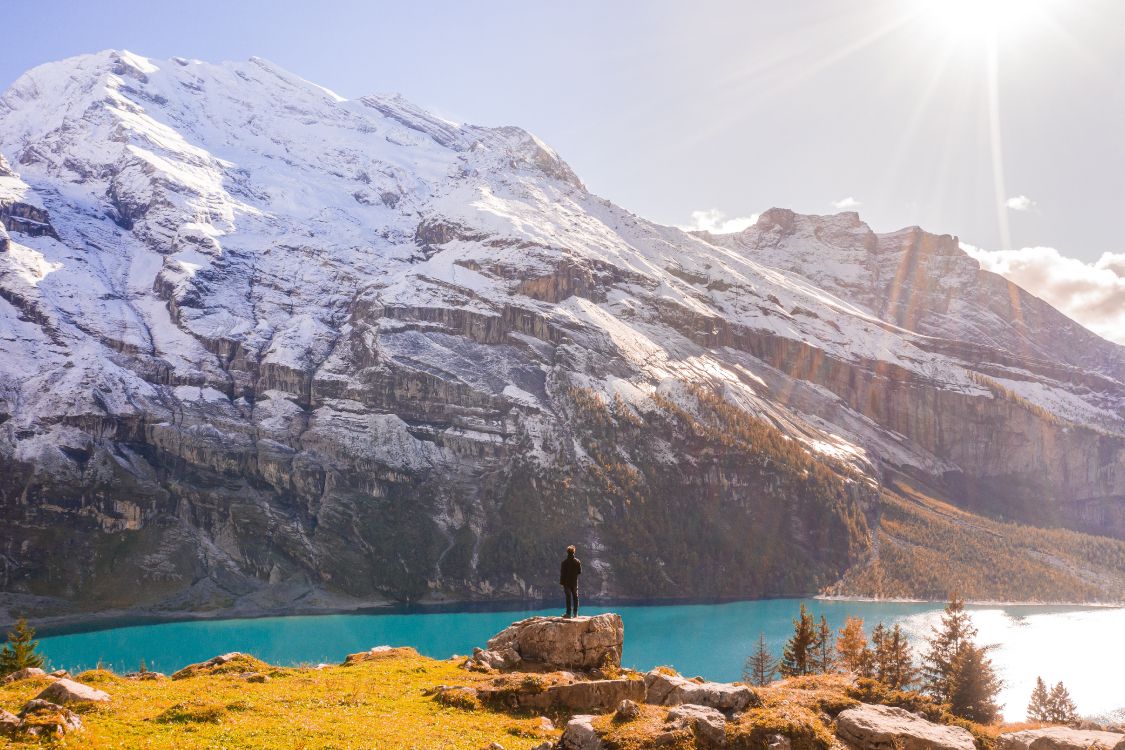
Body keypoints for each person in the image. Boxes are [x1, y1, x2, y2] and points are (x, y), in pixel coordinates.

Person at [560, 545, 582, 618]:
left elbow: (562, 574)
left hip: (566, 583)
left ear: (567, 552)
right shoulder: (577, 561)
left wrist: (561, 583)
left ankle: (568, 614)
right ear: (574, 552)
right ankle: (575, 614)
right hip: (574, 582)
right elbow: (579, 572)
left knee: (568, 598)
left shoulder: (564, 562)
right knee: (575, 597)